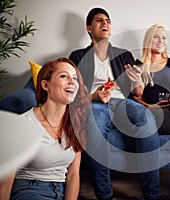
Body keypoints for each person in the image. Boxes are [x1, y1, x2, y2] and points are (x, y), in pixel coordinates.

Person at [68, 8, 161, 200]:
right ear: (88, 28)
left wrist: (136, 79)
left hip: (121, 102)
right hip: (95, 103)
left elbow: (138, 93)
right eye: (99, 20)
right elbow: (72, 93)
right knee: (95, 123)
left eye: (107, 21)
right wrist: (94, 97)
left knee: (146, 118)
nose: (105, 23)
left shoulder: (123, 55)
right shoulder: (77, 57)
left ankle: (153, 195)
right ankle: (104, 195)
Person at [0, 57, 90, 200]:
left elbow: (73, 175)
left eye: (75, 78)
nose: (72, 82)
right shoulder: (24, 124)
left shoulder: (75, 123)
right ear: (46, 86)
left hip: (61, 189)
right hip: (29, 189)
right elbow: (6, 179)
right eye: (64, 76)